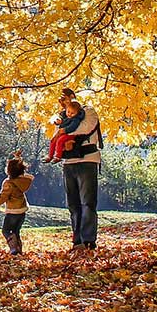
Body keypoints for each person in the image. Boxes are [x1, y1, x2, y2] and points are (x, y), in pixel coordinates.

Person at [54, 90, 102, 250]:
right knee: (73, 204)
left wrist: (66, 132)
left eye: (64, 98)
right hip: (69, 162)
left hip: (87, 160)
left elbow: (86, 127)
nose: (62, 102)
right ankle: (77, 241)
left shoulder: (87, 111)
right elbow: (57, 134)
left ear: (71, 97)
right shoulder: (63, 116)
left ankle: (88, 240)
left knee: (87, 202)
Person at [0, 153, 34, 255]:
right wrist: (18, 159)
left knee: (6, 231)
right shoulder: (22, 181)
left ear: (9, 170)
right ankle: (19, 249)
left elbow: (3, 196)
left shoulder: (8, 183)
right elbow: (22, 173)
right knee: (15, 231)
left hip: (12, 212)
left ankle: (13, 249)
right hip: (22, 211)